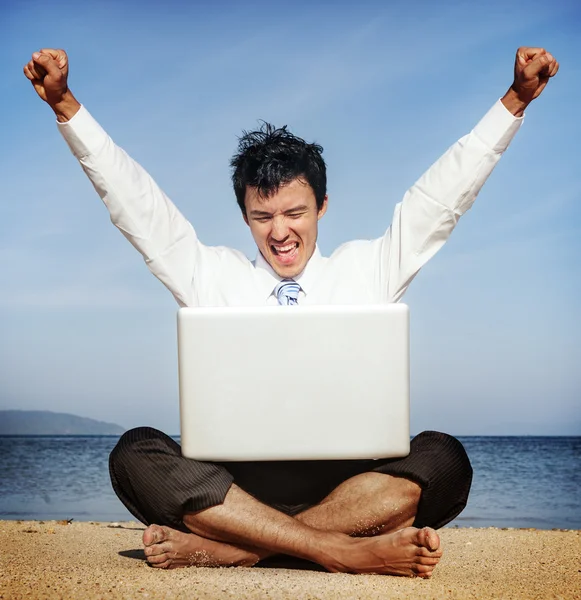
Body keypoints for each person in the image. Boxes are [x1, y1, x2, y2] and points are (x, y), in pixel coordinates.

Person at [24, 46, 558, 577]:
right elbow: (135, 204)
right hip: (236, 491)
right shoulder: (211, 275)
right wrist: (66, 104)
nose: (279, 232)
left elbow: (441, 202)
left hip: (348, 490)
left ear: (322, 206)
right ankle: (337, 549)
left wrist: (515, 100)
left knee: (445, 457)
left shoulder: (368, 269)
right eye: (262, 216)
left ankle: (245, 550)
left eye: (295, 212)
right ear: (245, 217)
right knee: (134, 453)